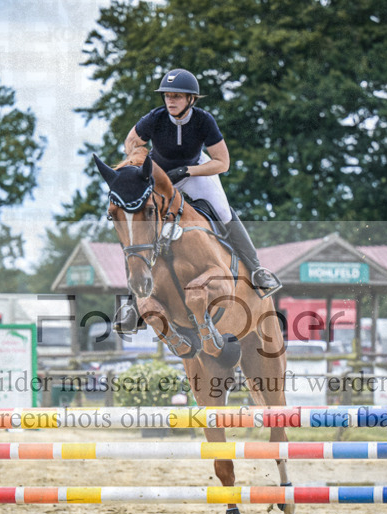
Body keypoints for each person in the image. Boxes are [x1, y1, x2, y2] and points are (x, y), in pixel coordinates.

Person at [114, 68, 281, 334]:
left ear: (191, 99)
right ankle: (133, 302)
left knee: (224, 212)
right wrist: (140, 157)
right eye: (168, 96)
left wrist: (188, 171)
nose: (170, 101)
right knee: (138, 223)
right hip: (160, 177)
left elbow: (222, 163)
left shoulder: (204, 121)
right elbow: (131, 142)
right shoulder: (155, 118)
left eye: (177, 96)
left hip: (195, 172)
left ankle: (257, 270)